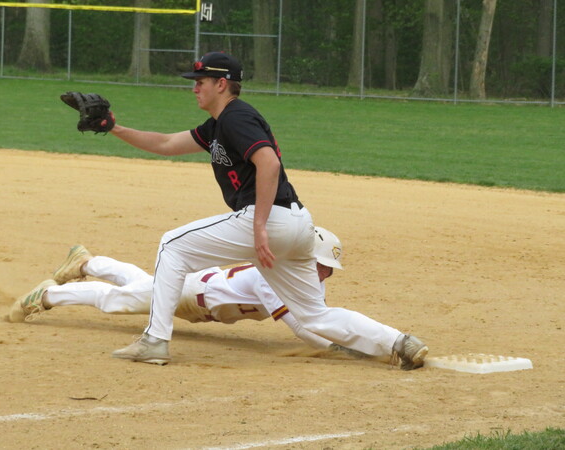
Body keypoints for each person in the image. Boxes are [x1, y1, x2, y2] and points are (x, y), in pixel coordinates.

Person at [96, 51, 427, 369]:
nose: (195, 86)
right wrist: (112, 127)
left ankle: (155, 340)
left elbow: (268, 162)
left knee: (172, 244)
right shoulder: (218, 125)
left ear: (222, 84)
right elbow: (166, 144)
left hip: (271, 218)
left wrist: (259, 227)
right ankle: (400, 342)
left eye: (201, 80)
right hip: (298, 223)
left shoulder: (235, 116)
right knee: (313, 314)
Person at [8, 228, 425, 368]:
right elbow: (301, 326)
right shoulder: (271, 276)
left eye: (327, 269)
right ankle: (49, 294)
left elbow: (314, 315)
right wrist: (340, 349)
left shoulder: (303, 283)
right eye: (320, 265)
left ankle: (88, 262)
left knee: (141, 284)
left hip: (202, 301)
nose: (324, 273)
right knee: (122, 302)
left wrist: (346, 345)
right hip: (195, 292)